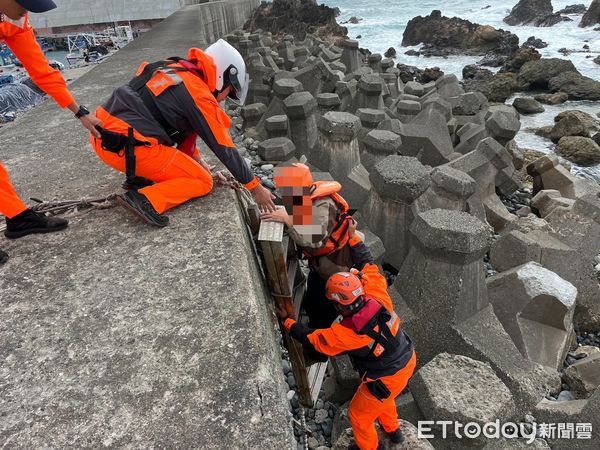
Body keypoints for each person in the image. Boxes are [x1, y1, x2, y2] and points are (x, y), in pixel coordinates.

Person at [90, 39, 275, 227]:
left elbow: (186, 127)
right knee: (202, 181)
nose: (224, 98)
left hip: (106, 138)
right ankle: (146, 199)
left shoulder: (176, 69)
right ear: (223, 76)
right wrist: (256, 187)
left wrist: (198, 160)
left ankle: (139, 178)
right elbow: (225, 147)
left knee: (188, 165)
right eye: (229, 91)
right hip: (127, 148)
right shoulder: (199, 95)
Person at [277, 242, 416, 450]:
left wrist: (287, 322)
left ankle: (368, 447)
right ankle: (393, 431)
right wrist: (353, 239)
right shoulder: (376, 293)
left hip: (385, 375)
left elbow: (314, 338)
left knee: (359, 416)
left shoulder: (348, 333)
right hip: (407, 359)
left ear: (338, 305)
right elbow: (368, 263)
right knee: (382, 398)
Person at [0, 0, 102, 266]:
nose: (27, 11)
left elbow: (42, 72)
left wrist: (80, 112)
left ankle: (17, 217)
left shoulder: (14, 21)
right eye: (23, 3)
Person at [261, 163, 357, 329]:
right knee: (313, 299)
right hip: (319, 266)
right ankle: (310, 317)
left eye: (287, 189)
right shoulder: (306, 196)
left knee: (323, 310)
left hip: (335, 269)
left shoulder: (323, 206)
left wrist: (287, 220)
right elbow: (301, 219)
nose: (285, 193)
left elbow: (313, 239)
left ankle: (317, 342)